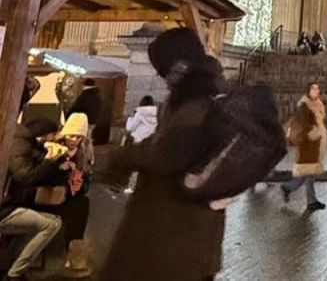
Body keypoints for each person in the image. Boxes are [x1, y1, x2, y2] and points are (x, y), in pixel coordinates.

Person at [100, 27, 229, 281]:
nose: (164, 78)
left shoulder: (197, 103)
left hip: (173, 238)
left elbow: (166, 153)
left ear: (179, 65)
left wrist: (123, 157)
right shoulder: (202, 95)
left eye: (165, 70)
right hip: (185, 238)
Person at [0, 118, 64, 281]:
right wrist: (50, 160)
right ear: (45, 135)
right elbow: (25, 176)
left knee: (33, 224)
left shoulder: (23, 142)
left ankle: (7, 267)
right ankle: (13, 274)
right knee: (52, 223)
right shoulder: (20, 143)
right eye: (54, 135)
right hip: (4, 208)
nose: (57, 138)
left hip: (9, 205)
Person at [35, 112, 93, 277]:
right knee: (77, 207)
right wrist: (59, 167)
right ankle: (73, 253)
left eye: (78, 137)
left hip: (69, 196)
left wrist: (79, 180)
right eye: (71, 135)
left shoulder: (84, 152)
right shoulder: (52, 146)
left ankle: (74, 253)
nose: (73, 139)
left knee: (82, 204)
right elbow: (41, 175)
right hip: (48, 194)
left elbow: (87, 179)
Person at [281, 82, 327, 212]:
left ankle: (290, 189)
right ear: (308, 90)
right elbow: (304, 124)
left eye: (318, 88)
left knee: (309, 173)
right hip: (307, 143)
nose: (316, 91)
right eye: (313, 88)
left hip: (315, 143)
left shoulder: (318, 104)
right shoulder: (304, 105)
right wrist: (314, 132)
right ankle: (308, 199)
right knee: (307, 172)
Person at [123, 95, 159, 194]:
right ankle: (146, 187)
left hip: (139, 140)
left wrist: (130, 118)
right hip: (151, 141)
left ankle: (132, 186)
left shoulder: (140, 113)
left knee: (136, 164)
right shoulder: (157, 114)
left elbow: (130, 127)